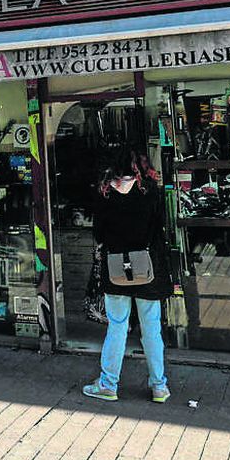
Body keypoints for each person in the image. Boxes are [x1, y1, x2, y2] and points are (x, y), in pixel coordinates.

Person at [83, 154, 172, 404]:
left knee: (117, 326)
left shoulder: (104, 193)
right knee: (151, 329)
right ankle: (159, 386)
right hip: (147, 269)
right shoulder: (151, 191)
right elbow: (160, 227)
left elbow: (99, 233)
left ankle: (108, 384)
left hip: (116, 269)